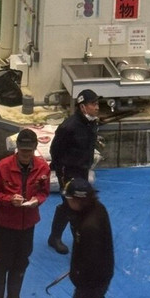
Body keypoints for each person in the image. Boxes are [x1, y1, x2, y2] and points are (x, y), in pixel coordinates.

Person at [0, 127, 51, 298]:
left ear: (35, 148)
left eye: (29, 151)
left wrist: (37, 200)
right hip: (4, 224)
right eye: (22, 151)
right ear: (17, 148)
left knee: (21, 261)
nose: (25, 155)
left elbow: (44, 192)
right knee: (1, 262)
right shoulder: (2, 167)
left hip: (27, 225)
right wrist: (9, 199)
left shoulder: (43, 168)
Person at [48, 89, 100, 254]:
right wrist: (61, 172)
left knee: (81, 203)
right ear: (83, 106)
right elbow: (55, 150)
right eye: (93, 104)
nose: (97, 107)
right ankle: (56, 238)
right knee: (70, 204)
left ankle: (78, 237)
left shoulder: (91, 123)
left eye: (97, 104)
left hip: (82, 170)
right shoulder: (68, 127)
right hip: (68, 172)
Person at [64, 177, 114, 298]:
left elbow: (92, 260)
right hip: (96, 278)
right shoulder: (97, 208)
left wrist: (77, 274)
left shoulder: (90, 227)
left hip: (92, 282)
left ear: (76, 200)